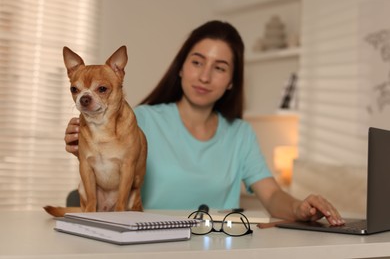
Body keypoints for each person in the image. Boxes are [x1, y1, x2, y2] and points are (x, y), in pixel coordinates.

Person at [64, 20, 344, 225]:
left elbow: (271, 196)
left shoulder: (240, 134)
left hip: (218, 249)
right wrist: (83, 142)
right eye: (197, 62)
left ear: (232, 80)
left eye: (220, 67)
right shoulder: (141, 120)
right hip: (149, 245)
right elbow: (101, 175)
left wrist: (299, 207)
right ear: (182, 67)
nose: (205, 76)